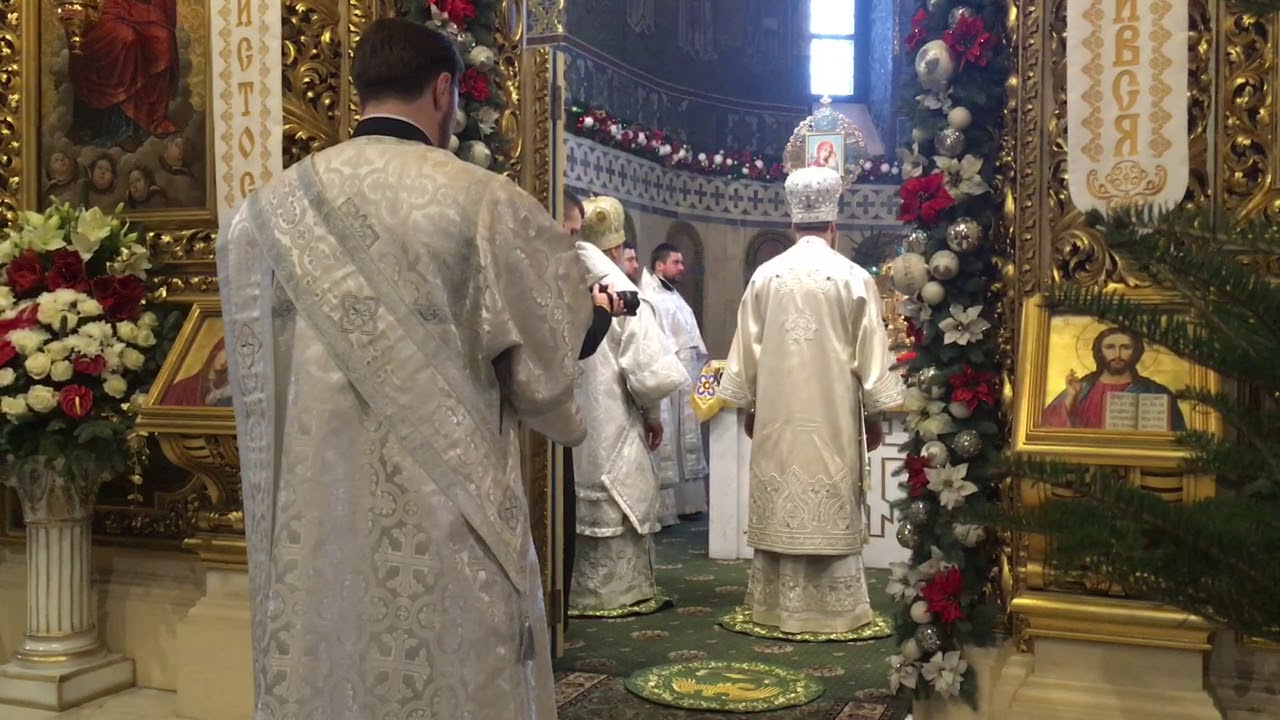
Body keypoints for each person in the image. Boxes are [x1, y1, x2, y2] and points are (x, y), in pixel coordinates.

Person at [217, 19, 597, 719]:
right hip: (446, 509)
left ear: (361, 91)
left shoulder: (262, 216)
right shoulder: (481, 202)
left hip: (317, 509)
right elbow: (546, 366)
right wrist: (594, 321)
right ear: (445, 91)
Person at [718, 166, 903, 634]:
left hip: (777, 420)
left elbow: (744, 353)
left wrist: (747, 407)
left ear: (792, 221)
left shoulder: (765, 276)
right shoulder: (854, 276)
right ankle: (833, 612)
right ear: (834, 224)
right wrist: (875, 412)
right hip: (834, 422)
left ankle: (774, 608)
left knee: (782, 489)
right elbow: (873, 357)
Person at [569, 195, 688, 612]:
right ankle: (617, 592)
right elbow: (645, 362)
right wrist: (653, 413)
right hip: (610, 407)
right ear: (617, 246)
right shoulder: (616, 281)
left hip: (566, 405)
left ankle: (572, 591)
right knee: (615, 479)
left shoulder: (559, 268)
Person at [641, 242, 709, 523]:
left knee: (687, 439)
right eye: (676, 263)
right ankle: (666, 509)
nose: (682, 267)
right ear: (659, 265)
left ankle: (688, 503)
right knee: (670, 439)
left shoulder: (677, 297)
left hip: (687, 378)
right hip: (669, 379)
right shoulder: (650, 298)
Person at [1041, 327, 1186, 430]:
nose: (1117, 354)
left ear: (1136, 352)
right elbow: (1048, 429)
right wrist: (1071, 398)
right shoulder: (1083, 388)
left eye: (1125, 347)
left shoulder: (1155, 391)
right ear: (1099, 351)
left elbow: (1177, 437)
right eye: (1110, 347)